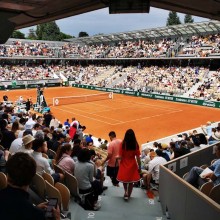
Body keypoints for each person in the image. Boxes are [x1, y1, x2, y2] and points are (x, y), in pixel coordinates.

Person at [0, 152, 60, 220]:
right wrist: (57, 218)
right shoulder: (37, 215)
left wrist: (34, 208)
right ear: (32, 178)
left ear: (7, 175)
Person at [116, 129, 141, 200]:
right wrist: (139, 167)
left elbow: (120, 156)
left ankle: (126, 192)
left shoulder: (123, 144)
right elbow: (138, 157)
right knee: (131, 181)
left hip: (124, 163)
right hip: (132, 163)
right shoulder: (135, 144)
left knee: (125, 180)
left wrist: (117, 159)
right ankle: (129, 195)